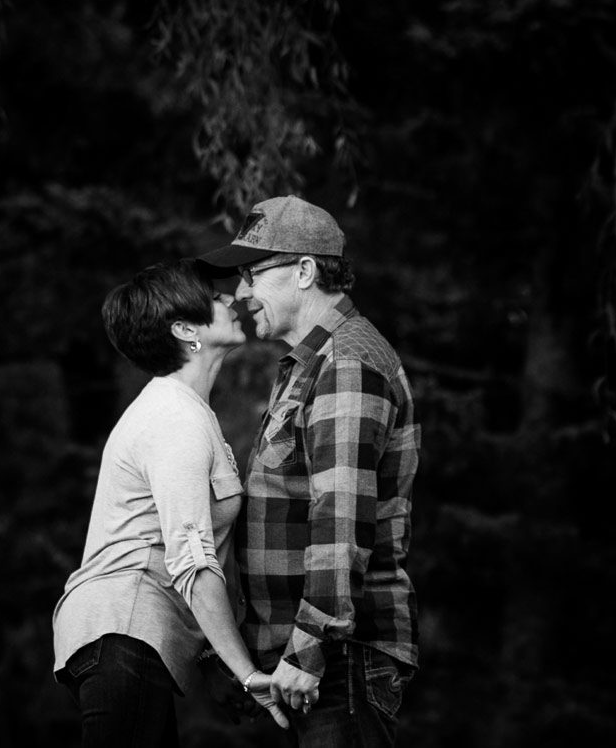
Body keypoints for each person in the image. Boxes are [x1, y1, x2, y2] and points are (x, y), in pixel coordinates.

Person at [201, 195, 420, 747]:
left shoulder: (346, 361)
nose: (242, 291)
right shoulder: (308, 365)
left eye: (253, 272)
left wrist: (307, 646)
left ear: (304, 271)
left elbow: (339, 520)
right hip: (311, 661)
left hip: (337, 660)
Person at [52, 259, 290, 745]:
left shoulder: (186, 412)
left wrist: (209, 660)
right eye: (215, 297)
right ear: (185, 329)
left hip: (128, 639)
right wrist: (245, 673)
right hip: (123, 633)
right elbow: (192, 559)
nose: (230, 300)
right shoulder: (174, 419)